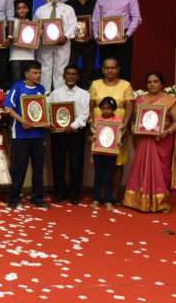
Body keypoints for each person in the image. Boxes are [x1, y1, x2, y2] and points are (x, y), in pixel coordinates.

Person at [124, 72, 176, 213]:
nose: (152, 84)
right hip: (144, 140)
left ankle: (161, 202)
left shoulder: (170, 101)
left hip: (163, 140)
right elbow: (134, 120)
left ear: (162, 84)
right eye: (149, 82)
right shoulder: (140, 100)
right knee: (142, 168)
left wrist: (168, 132)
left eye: (156, 81)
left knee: (162, 170)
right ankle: (138, 201)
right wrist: (133, 127)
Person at [3, 60, 52, 209]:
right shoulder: (17, 88)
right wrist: (22, 120)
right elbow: (7, 108)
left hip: (38, 134)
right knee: (19, 167)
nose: (38, 76)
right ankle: (14, 197)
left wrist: (47, 122)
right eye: (35, 73)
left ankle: (37, 197)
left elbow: (44, 110)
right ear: (26, 74)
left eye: (39, 73)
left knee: (38, 168)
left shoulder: (41, 89)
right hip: (21, 133)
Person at [88, 57, 135, 200]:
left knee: (117, 162)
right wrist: (91, 122)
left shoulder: (126, 85)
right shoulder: (95, 84)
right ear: (102, 69)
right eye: (107, 67)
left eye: (113, 67)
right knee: (100, 161)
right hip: (99, 127)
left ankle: (114, 194)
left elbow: (129, 107)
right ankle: (101, 193)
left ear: (118, 69)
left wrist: (125, 125)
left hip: (119, 128)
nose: (110, 70)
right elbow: (90, 105)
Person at [48, 65, 90, 205]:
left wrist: (73, 126)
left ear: (78, 77)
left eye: (74, 74)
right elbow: (49, 111)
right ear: (63, 76)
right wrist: (52, 125)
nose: (71, 76)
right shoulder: (55, 93)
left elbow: (85, 114)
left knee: (76, 163)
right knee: (58, 163)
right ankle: (59, 193)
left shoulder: (84, 94)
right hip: (59, 133)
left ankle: (74, 193)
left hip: (76, 132)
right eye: (68, 74)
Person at [92, 0, 142, 82]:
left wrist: (127, 35)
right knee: (105, 70)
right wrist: (96, 37)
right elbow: (95, 21)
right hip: (104, 39)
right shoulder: (100, 0)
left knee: (124, 70)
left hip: (123, 37)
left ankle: (125, 97)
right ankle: (104, 98)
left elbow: (137, 18)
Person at [34, 0, 76, 91]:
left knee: (61, 71)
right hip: (45, 45)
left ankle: (59, 98)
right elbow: (35, 28)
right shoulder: (40, 10)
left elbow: (73, 25)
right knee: (44, 71)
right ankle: (45, 97)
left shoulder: (69, 9)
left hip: (62, 45)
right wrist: (40, 32)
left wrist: (66, 36)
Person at [88, 96, 123, 210]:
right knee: (98, 175)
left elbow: (122, 138)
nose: (105, 111)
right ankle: (96, 199)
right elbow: (91, 137)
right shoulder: (96, 121)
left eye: (108, 108)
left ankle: (108, 200)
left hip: (111, 153)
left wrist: (120, 143)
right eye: (103, 108)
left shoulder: (118, 122)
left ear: (113, 109)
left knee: (109, 176)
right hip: (97, 152)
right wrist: (90, 139)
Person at [65, 0, 97, 88]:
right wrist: (70, 36)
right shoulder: (69, 3)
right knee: (70, 66)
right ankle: (68, 89)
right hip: (72, 41)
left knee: (88, 68)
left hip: (90, 41)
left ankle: (87, 92)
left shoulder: (95, 3)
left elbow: (99, 21)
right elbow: (64, 23)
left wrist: (92, 36)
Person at [9, 0, 35, 85]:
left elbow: (35, 39)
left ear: (27, 9)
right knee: (16, 80)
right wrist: (12, 38)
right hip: (16, 56)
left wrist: (39, 34)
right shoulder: (11, 23)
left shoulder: (33, 24)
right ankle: (16, 98)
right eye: (19, 8)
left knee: (29, 81)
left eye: (24, 8)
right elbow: (8, 37)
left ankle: (27, 98)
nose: (22, 10)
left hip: (29, 56)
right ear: (15, 11)